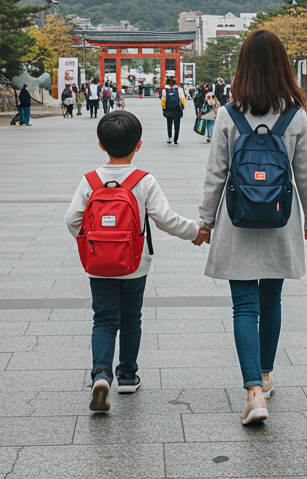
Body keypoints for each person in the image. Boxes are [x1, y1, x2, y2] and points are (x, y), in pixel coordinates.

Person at [198, 29, 307, 426]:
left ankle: (253, 392)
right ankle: (265, 375)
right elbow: (306, 177)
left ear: (243, 67)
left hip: (236, 223)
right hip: (281, 221)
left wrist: (204, 222)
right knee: (271, 303)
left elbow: (215, 175)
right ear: (283, 66)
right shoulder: (295, 116)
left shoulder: (227, 114)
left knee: (243, 307)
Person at [63, 111, 209, 412]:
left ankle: (101, 374)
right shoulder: (144, 180)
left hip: (99, 265)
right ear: (138, 145)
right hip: (134, 264)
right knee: (131, 319)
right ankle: (127, 376)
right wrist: (195, 232)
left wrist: (90, 243)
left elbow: (72, 219)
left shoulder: (90, 180)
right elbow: (165, 220)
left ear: (101, 145)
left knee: (103, 319)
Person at [160, 77, 188, 144]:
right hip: (177, 110)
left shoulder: (165, 91)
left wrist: (164, 108)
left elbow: (163, 101)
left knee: (169, 124)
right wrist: (182, 107)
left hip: (169, 109)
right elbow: (183, 99)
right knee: (177, 124)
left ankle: (169, 137)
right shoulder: (179, 90)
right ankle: (176, 139)